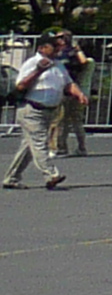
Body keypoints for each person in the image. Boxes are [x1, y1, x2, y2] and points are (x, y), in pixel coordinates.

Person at [5, 37, 74, 189]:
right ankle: (51, 175)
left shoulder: (58, 65)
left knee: (29, 147)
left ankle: (11, 178)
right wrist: (39, 70)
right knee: (39, 143)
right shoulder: (32, 63)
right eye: (55, 46)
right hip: (31, 109)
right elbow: (21, 85)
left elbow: (68, 83)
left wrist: (79, 94)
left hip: (49, 111)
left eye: (61, 47)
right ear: (42, 48)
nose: (59, 49)